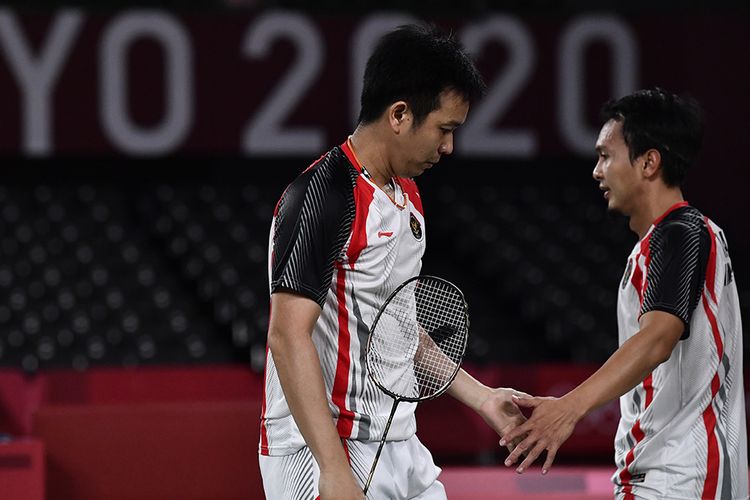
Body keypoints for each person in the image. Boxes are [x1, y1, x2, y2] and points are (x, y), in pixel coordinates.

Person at [259, 24, 526, 500]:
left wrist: (482, 397)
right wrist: (333, 469)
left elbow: (398, 329)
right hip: (322, 448)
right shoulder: (325, 195)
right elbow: (285, 335)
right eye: (444, 129)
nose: (449, 148)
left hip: (399, 441)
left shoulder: (408, 197)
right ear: (400, 115)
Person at [501, 88, 748, 499]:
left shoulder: (682, 233)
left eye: (606, 155)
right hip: (665, 475)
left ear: (649, 162)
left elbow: (657, 338)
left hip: (682, 479)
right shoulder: (663, 242)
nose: (597, 171)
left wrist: (569, 408)